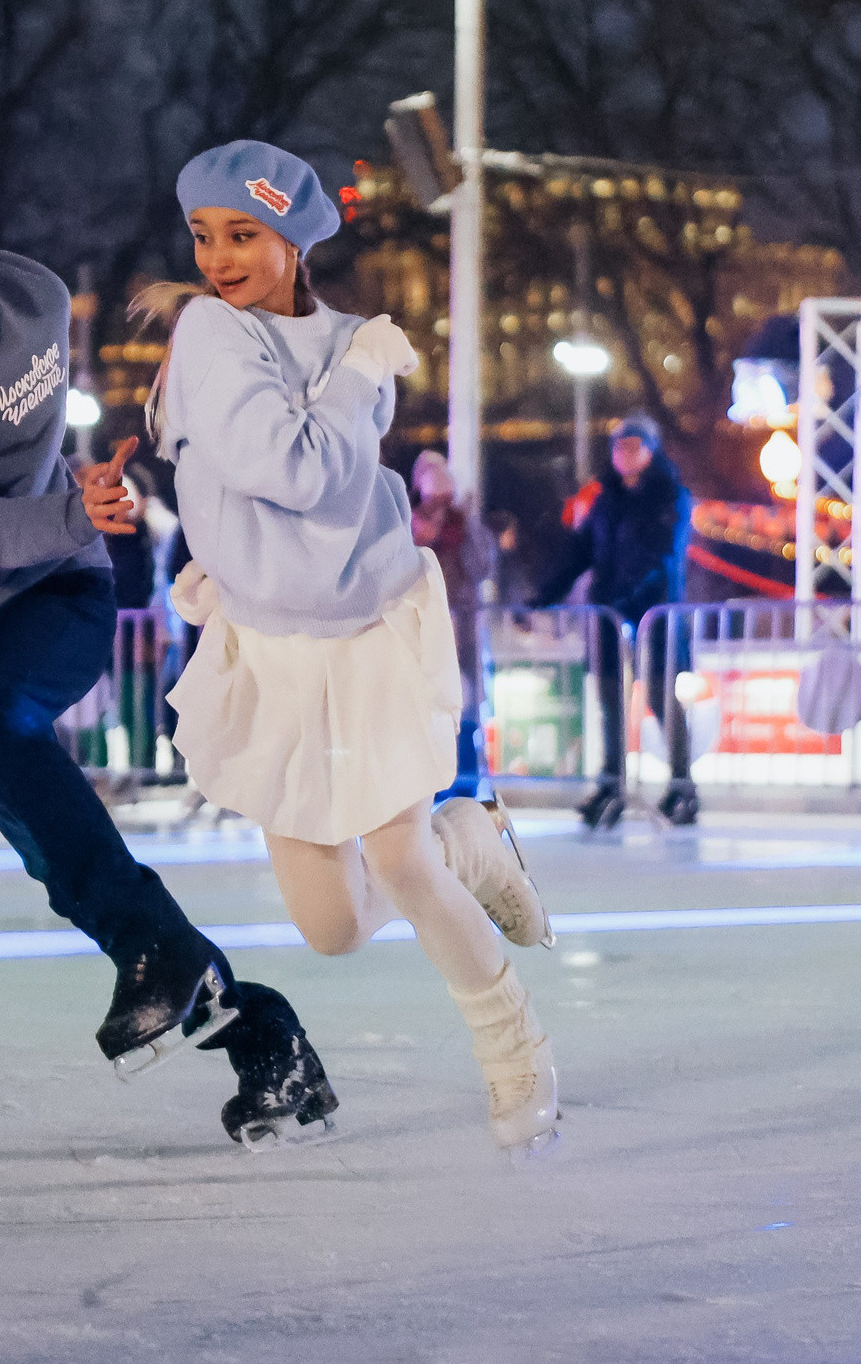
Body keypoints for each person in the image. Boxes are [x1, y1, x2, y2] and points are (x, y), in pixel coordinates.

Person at [0, 86, 331, 1148]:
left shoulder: (39, 300)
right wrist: (64, 503)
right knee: (73, 873)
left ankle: (177, 969)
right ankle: (265, 1039)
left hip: (60, 584)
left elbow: (33, 492)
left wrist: (74, 514)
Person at [111, 138, 558, 1156]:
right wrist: (230, 564)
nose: (218, 257)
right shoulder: (214, 333)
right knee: (333, 929)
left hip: (368, 632)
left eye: (244, 234)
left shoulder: (359, 343)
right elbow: (281, 465)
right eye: (204, 235)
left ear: (293, 238)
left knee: (396, 863)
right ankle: (470, 841)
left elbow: (326, 487)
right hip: (272, 654)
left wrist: (355, 373)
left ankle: (517, 1059)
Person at [532, 413, 695, 829]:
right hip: (608, 618)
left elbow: (663, 557)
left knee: (661, 700)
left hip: (655, 615)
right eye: (618, 446)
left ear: (650, 450)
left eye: (632, 445)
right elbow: (580, 552)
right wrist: (544, 596)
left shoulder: (670, 497)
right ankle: (612, 784)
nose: (622, 454)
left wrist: (628, 603)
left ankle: (682, 786)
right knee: (610, 703)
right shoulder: (607, 500)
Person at [412, 450, 496, 802]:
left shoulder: (465, 526)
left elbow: (481, 567)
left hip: (463, 628)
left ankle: (466, 777)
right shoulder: (407, 523)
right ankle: (428, 782)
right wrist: (420, 535)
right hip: (423, 627)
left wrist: (467, 523)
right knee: (426, 705)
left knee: (466, 703)